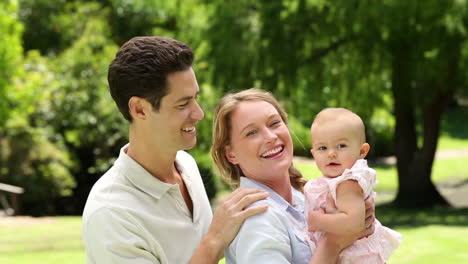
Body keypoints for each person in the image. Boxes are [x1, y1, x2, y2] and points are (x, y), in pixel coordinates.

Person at [82, 36, 270, 264]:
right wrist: (214, 240)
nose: (199, 113)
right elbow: (210, 245)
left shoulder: (186, 165)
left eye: (195, 99)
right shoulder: (111, 213)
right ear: (140, 109)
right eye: (183, 104)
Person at [211, 89, 376, 264]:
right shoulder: (258, 218)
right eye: (251, 132)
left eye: (274, 123)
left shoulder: (304, 198)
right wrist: (334, 242)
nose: (270, 136)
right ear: (231, 154)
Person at [304, 107, 402, 263]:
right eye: (322, 148)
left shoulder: (348, 182)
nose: (331, 153)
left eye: (341, 145)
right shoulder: (333, 181)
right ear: (313, 154)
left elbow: (354, 223)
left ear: (362, 151)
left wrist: (318, 221)